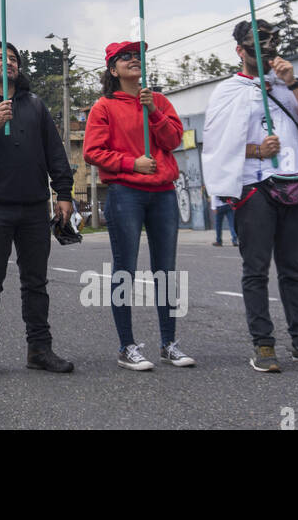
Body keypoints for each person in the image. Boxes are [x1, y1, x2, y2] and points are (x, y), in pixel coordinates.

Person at [201, 19, 298, 372]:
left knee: (293, 269)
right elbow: (218, 147)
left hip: (295, 182)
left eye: (272, 43)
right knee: (256, 270)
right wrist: (255, 150)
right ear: (240, 51)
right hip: (254, 188)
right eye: (257, 45)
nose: (267, 51)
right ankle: (264, 345)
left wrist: (293, 83)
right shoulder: (227, 92)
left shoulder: (290, 85)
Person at [0, 40, 76, 377]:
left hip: (34, 205)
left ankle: (39, 349)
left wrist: (63, 192)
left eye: (14, 59)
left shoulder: (34, 105)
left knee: (35, 282)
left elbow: (55, 152)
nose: (9, 62)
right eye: (0, 58)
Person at [83, 40, 194, 371]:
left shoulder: (157, 101)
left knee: (166, 269)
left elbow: (174, 140)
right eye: (126, 57)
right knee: (125, 269)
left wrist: (154, 112)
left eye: (138, 57)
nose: (134, 60)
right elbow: (93, 151)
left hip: (163, 193)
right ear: (113, 69)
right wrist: (132, 163)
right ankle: (126, 346)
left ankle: (168, 343)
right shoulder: (103, 107)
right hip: (125, 193)